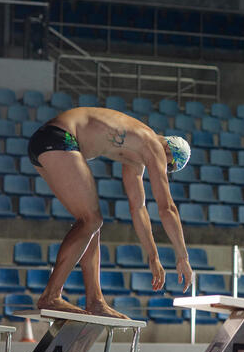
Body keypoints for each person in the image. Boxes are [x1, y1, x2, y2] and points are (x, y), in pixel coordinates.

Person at [26, 106, 194, 319]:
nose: (163, 171)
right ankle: (51, 296)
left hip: (47, 141)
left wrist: (153, 255)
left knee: (92, 224)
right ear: (168, 152)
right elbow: (166, 207)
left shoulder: (134, 158)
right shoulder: (152, 144)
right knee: (91, 220)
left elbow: (138, 207)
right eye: (168, 168)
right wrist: (183, 257)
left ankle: (95, 301)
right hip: (60, 138)